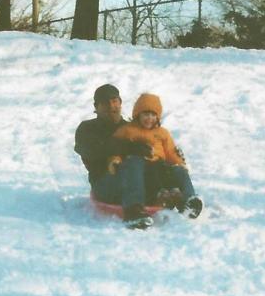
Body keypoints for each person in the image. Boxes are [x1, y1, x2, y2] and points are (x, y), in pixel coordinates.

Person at [74, 84, 202, 229]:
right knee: (134, 161)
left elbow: (155, 149)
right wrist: (128, 148)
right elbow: (92, 150)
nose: (111, 106)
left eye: (115, 101)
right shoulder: (87, 129)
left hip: (140, 183)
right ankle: (133, 213)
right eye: (105, 103)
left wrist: (171, 156)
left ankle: (187, 202)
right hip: (107, 185)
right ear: (96, 107)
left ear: (120, 103)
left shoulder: (133, 127)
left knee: (173, 170)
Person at [109, 92, 203, 218]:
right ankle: (144, 203)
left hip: (160, 166)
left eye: (153, 115)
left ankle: (189, 201)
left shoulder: (162, 133)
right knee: (148, 171)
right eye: (146, 114)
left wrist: (180, 163)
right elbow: (117, 149)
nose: (149, 118)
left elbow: (170, 151)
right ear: (138, 114)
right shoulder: (128, 130)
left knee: (179, 171)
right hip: (139, 169)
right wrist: (115, 161)